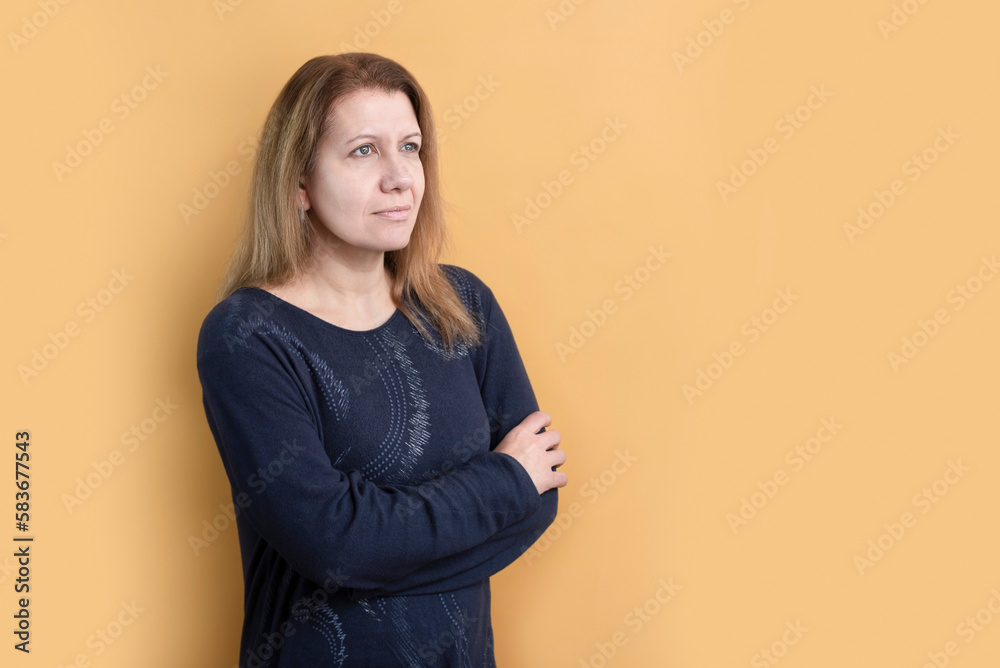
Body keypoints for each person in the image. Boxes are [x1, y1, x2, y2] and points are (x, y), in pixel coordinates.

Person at [196, 52, 566, 667]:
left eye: (411, 147)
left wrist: (365, 556)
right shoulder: (247, 335)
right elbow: (331, 544)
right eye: (363, 150)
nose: (401, 177)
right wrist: (503, 482)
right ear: (299, 183)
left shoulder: (461, 303)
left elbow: (541, 496)